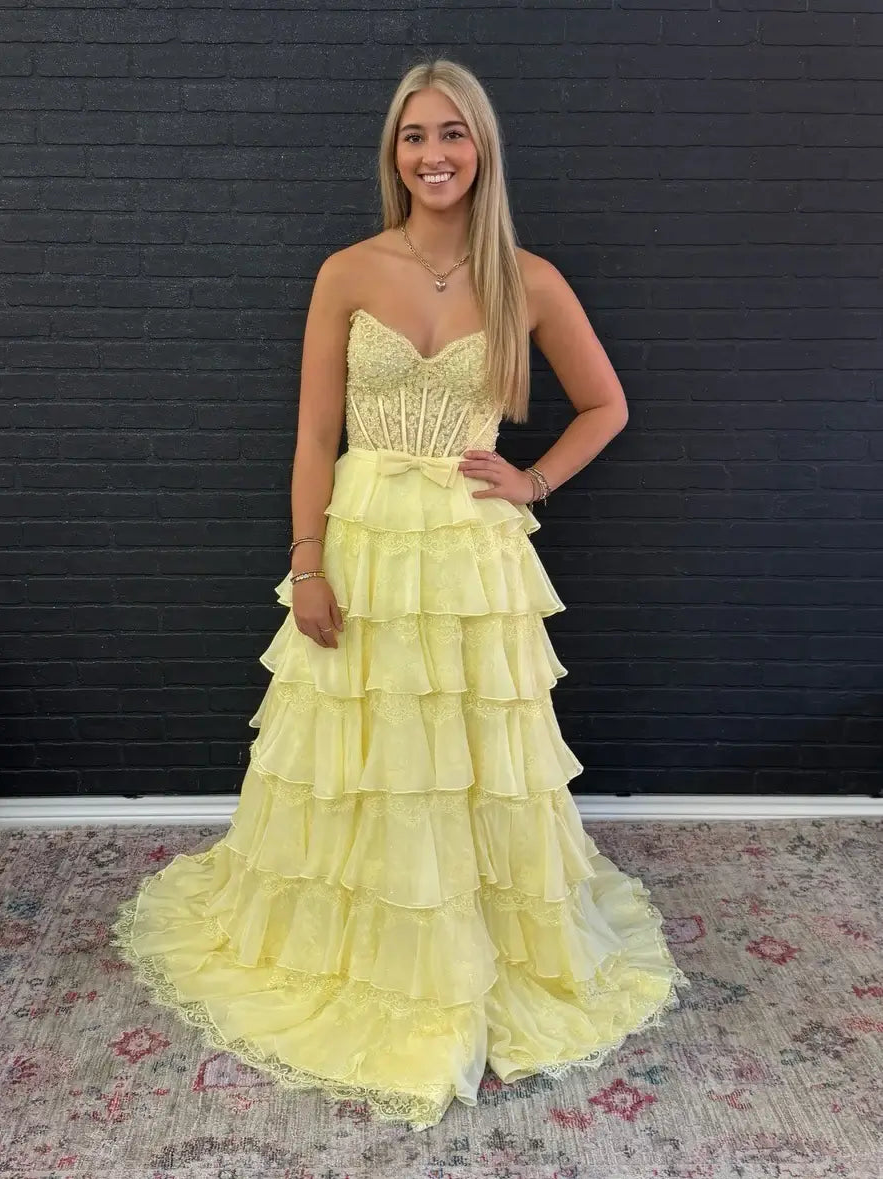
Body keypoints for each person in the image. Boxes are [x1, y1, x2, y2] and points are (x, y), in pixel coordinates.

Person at [111, 57, 691, 1133]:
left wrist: (533, 479)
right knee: (359, 749)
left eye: (452, 133)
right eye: (415, 135)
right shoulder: (348, 270)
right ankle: (363, 947)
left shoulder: (527, 278)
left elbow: (605, 404)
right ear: (395, 153)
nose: (434, 154)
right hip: (367, 539)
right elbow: (313, 436)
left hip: (471, 555)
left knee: (471, 754)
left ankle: (472, 952)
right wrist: (308, 561)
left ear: (482, 150)